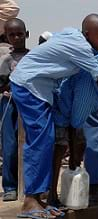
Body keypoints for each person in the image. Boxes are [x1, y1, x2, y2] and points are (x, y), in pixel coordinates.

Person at [10, 14, 98, 219]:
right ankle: (31, 202)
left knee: (47, 141)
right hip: (29, 85)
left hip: (40, 89)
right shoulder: (80, 48)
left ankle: (42, 199)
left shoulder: (76, 35)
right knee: (41, 142)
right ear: (88, 34)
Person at [0, 18, 29, 202]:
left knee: (27, 146)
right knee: (9, 146)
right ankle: (10, 186)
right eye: (12, 35)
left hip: (28, 104)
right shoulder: (5, 60)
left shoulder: (33, 57)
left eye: (20, 34)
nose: (17, 37)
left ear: (27, 34)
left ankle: (27, 185)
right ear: (6, 37)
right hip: (9, 104)